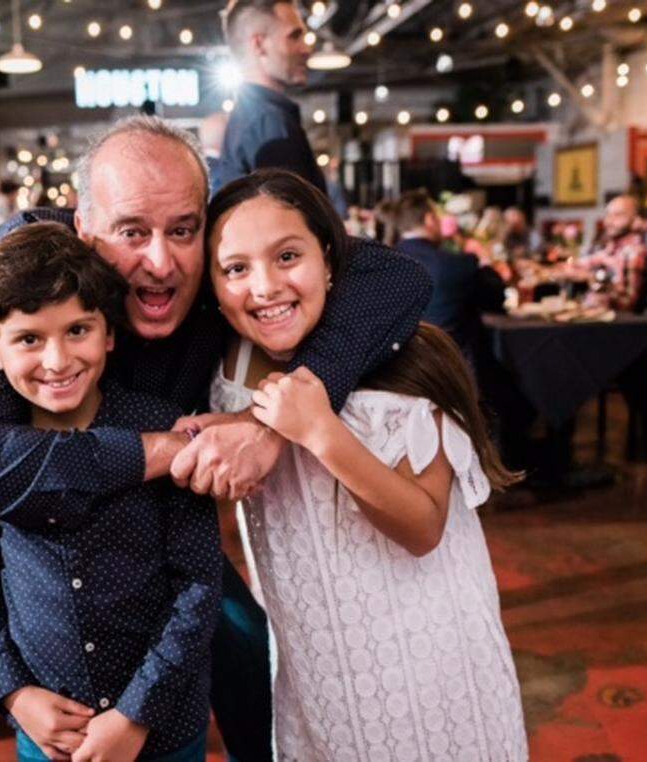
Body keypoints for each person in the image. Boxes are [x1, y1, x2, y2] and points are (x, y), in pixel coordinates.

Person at [0, 115, 431, 762]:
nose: (160, 262)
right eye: (131, 233)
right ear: (83, 229)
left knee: (239, 639)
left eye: (183, 228)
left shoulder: (210, 264)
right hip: (0, 476)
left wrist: (274, 421)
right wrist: (163, 450)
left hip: (141, 491)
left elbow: (396, 278)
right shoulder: (23, 273)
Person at [200, 169, 527, 759]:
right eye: (236, 269)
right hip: (314, 665)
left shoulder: (404, 356)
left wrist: (321, 431)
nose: (266, 286)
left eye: (288, 256)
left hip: (424, 660)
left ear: (329, 260)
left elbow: (424, 527)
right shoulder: (227, 366)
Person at [0, 222, 222, 761]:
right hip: (47, 735)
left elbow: (197, 586)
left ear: (110, 333)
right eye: (29, 339)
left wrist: (135, 715)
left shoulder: (160, 426)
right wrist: (14, 694)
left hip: (163, 729)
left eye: (78, 330)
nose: (57, 361)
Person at [210, 0, 323, 194]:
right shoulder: (268, 122)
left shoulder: (251, 117)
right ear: (259, 45)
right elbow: (290, 221)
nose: (306, 49)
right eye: (294, 36)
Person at [394, 190, 504, 360]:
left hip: (400, 372)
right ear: (430, 219)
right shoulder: (456, 265)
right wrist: (485, 261)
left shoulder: (381, 264)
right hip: (452, 368)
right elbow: (496, 300)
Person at [584, 194, 647, 310]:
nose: (609, 221)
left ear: (636, 220)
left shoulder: (634, 251)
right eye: (608, 215)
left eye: (618, 215)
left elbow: (628, 304)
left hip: (615, 324)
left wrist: (591, 278)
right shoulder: (612, 246)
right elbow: (586, 262)